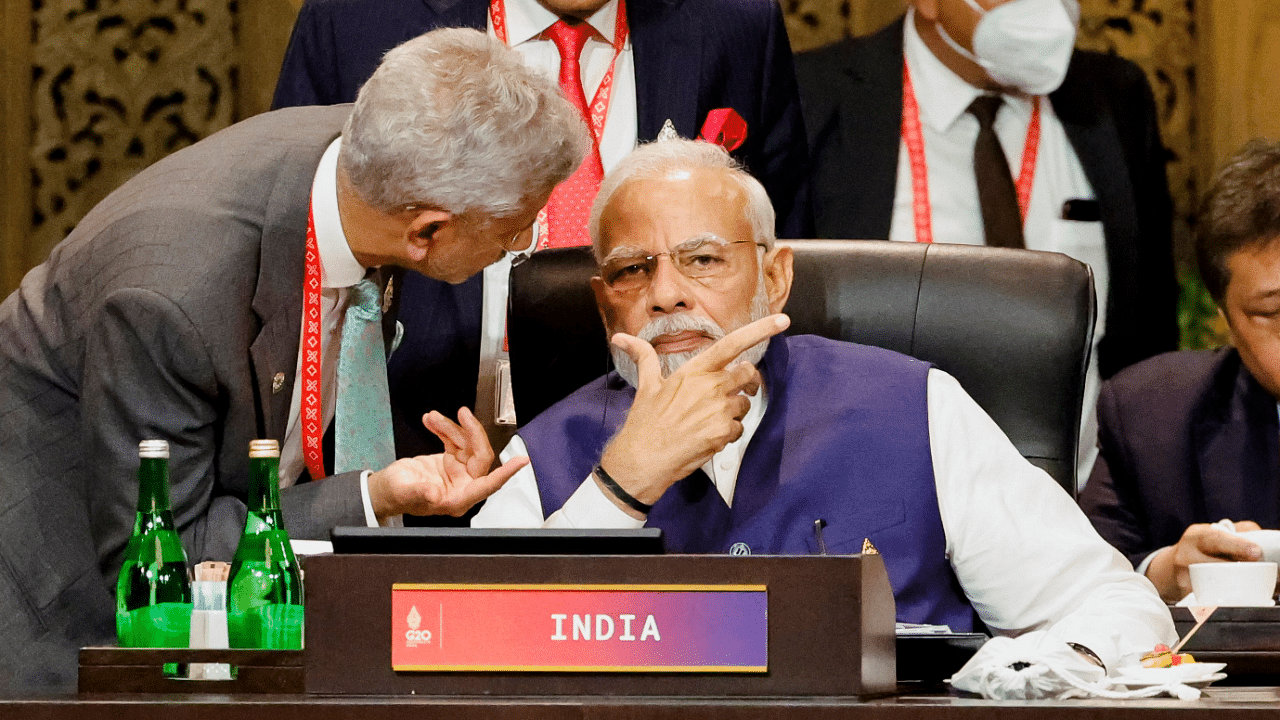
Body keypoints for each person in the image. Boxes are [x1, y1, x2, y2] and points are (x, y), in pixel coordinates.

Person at [0, 28, 587, 690]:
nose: (521, 247)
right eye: (517, 232)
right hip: (53, 596)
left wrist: (385, 491)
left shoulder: (375, 165)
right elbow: (173, 555)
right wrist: (366, 497)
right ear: (426, 231)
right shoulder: (171, 298)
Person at [466, 138, 1174, 671]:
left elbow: (1115, 609)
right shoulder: (546, 454)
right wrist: (619, 487)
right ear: (604, 303)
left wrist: (1009, 678)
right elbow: (470, 651)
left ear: (774, 278)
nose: (667, 293)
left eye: (703, 259)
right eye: (632, 269)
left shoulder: (915, 409)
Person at [271, 0, 814, 459]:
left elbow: (773, 262)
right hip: (420, 453)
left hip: (676, 463)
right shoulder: (357, 18)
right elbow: (305, 229)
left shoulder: (733, 22)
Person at [794, 0, 1179, 485]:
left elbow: (1151, 325)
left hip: (1078, 507)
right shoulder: (812, 99)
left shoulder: (1114, 97)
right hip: (881, 495)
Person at [1081, 139, 1280, 603]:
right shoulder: (1151, 416)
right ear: (1225, 319)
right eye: (1275, 311)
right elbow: (1083, 583)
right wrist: (1169, 574)